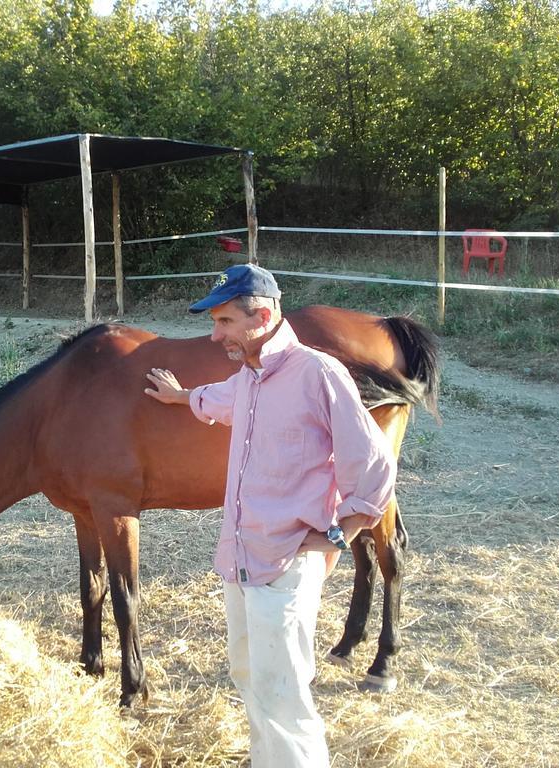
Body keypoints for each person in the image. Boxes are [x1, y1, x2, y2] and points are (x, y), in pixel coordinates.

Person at [143, 263, 397, 767]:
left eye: (225, 323)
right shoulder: (249, 377)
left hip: (286, 561)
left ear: (261, 315)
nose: (215, 336)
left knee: (283, 695)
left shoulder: (319, 375)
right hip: (240, 556)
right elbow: (218, 400)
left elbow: (373, 468)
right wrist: (181, 397)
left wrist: (336, 534)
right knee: (249, 676)